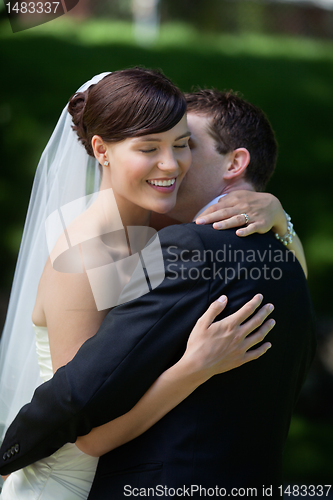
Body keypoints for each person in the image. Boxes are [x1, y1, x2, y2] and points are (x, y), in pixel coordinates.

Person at [0, 83, 315, 498]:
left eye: (184, 144)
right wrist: (193, 368)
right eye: (150, 147)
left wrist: (278, 213)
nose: (172, 164)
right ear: (102, 150)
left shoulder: (173, 240)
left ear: (236, 163)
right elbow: (80, 407)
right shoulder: (95, 247)